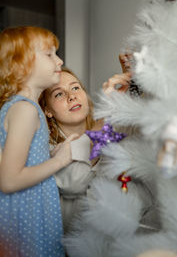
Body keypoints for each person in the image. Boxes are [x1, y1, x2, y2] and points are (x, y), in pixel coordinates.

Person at [0, 26, 78, 256]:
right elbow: (9, 180)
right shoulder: (25, 110)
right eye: (49, 54)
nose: (60, 60)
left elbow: (18, 160)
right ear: (21, 64)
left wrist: (49, 154)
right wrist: (60, 161)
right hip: (27, 216)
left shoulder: (21, 107)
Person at [39, 66, 132, 233]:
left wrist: (132, 77)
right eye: (59, 94)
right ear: (47, 110)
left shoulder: (113, 133)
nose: (71, 96)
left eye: (75, 87)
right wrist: (104, 118)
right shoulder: (47, 151)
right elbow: (74, 183)